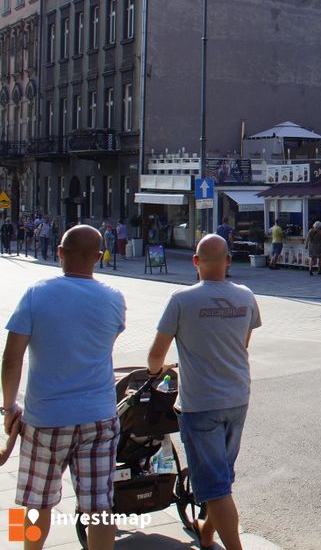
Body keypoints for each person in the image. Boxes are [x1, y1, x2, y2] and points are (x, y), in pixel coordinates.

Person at [2, 225, 126, 550]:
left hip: (45, 418)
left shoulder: (36, 293)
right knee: (100, 507)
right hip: (98, 416)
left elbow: (11, 358)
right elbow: (103, 347)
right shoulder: (114, 298)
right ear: (99, 258)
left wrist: (9, 406)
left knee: (34, 503)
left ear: (59, 253)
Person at [147, 234, 262, 550]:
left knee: (215, 485)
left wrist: (159, 371)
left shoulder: (181, 300)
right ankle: (207, 532)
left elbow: (155, 356)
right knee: (221, 477)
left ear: (195, 261)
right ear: (228, 261)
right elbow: (243, 344)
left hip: (200, 405)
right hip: (238, 398)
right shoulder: (247, 296)